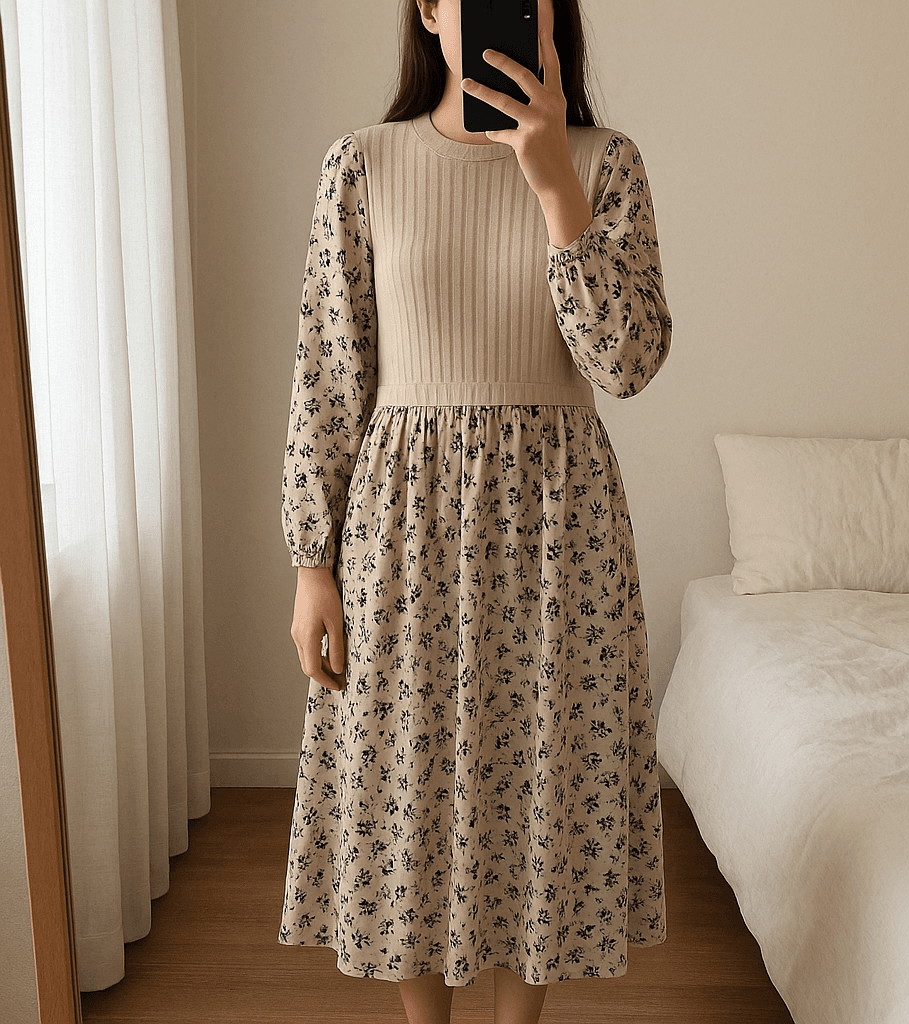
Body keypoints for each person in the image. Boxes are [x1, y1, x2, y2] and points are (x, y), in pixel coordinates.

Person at [278, 2, 672, 1022]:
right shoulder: (360, 164)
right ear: (428, 8)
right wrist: (310, 564)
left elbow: (624, 364)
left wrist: (551, 181)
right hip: (399, 528)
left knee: (546, 777)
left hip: (560, 530)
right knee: (405, 781)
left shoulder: (605, 163)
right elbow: (329, 374)